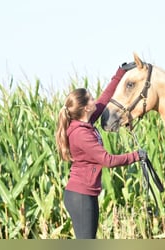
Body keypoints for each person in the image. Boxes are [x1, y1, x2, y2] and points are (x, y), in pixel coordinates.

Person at [55, 62, 147, 239]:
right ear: (85, 107)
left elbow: (105, 98)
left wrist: (120, 72)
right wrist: (136, 155)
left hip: (86, 193)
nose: (94, 100)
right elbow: (108, 160)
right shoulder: (81, 134)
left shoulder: (86, 122)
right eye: (90, 99)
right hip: (80, 196)